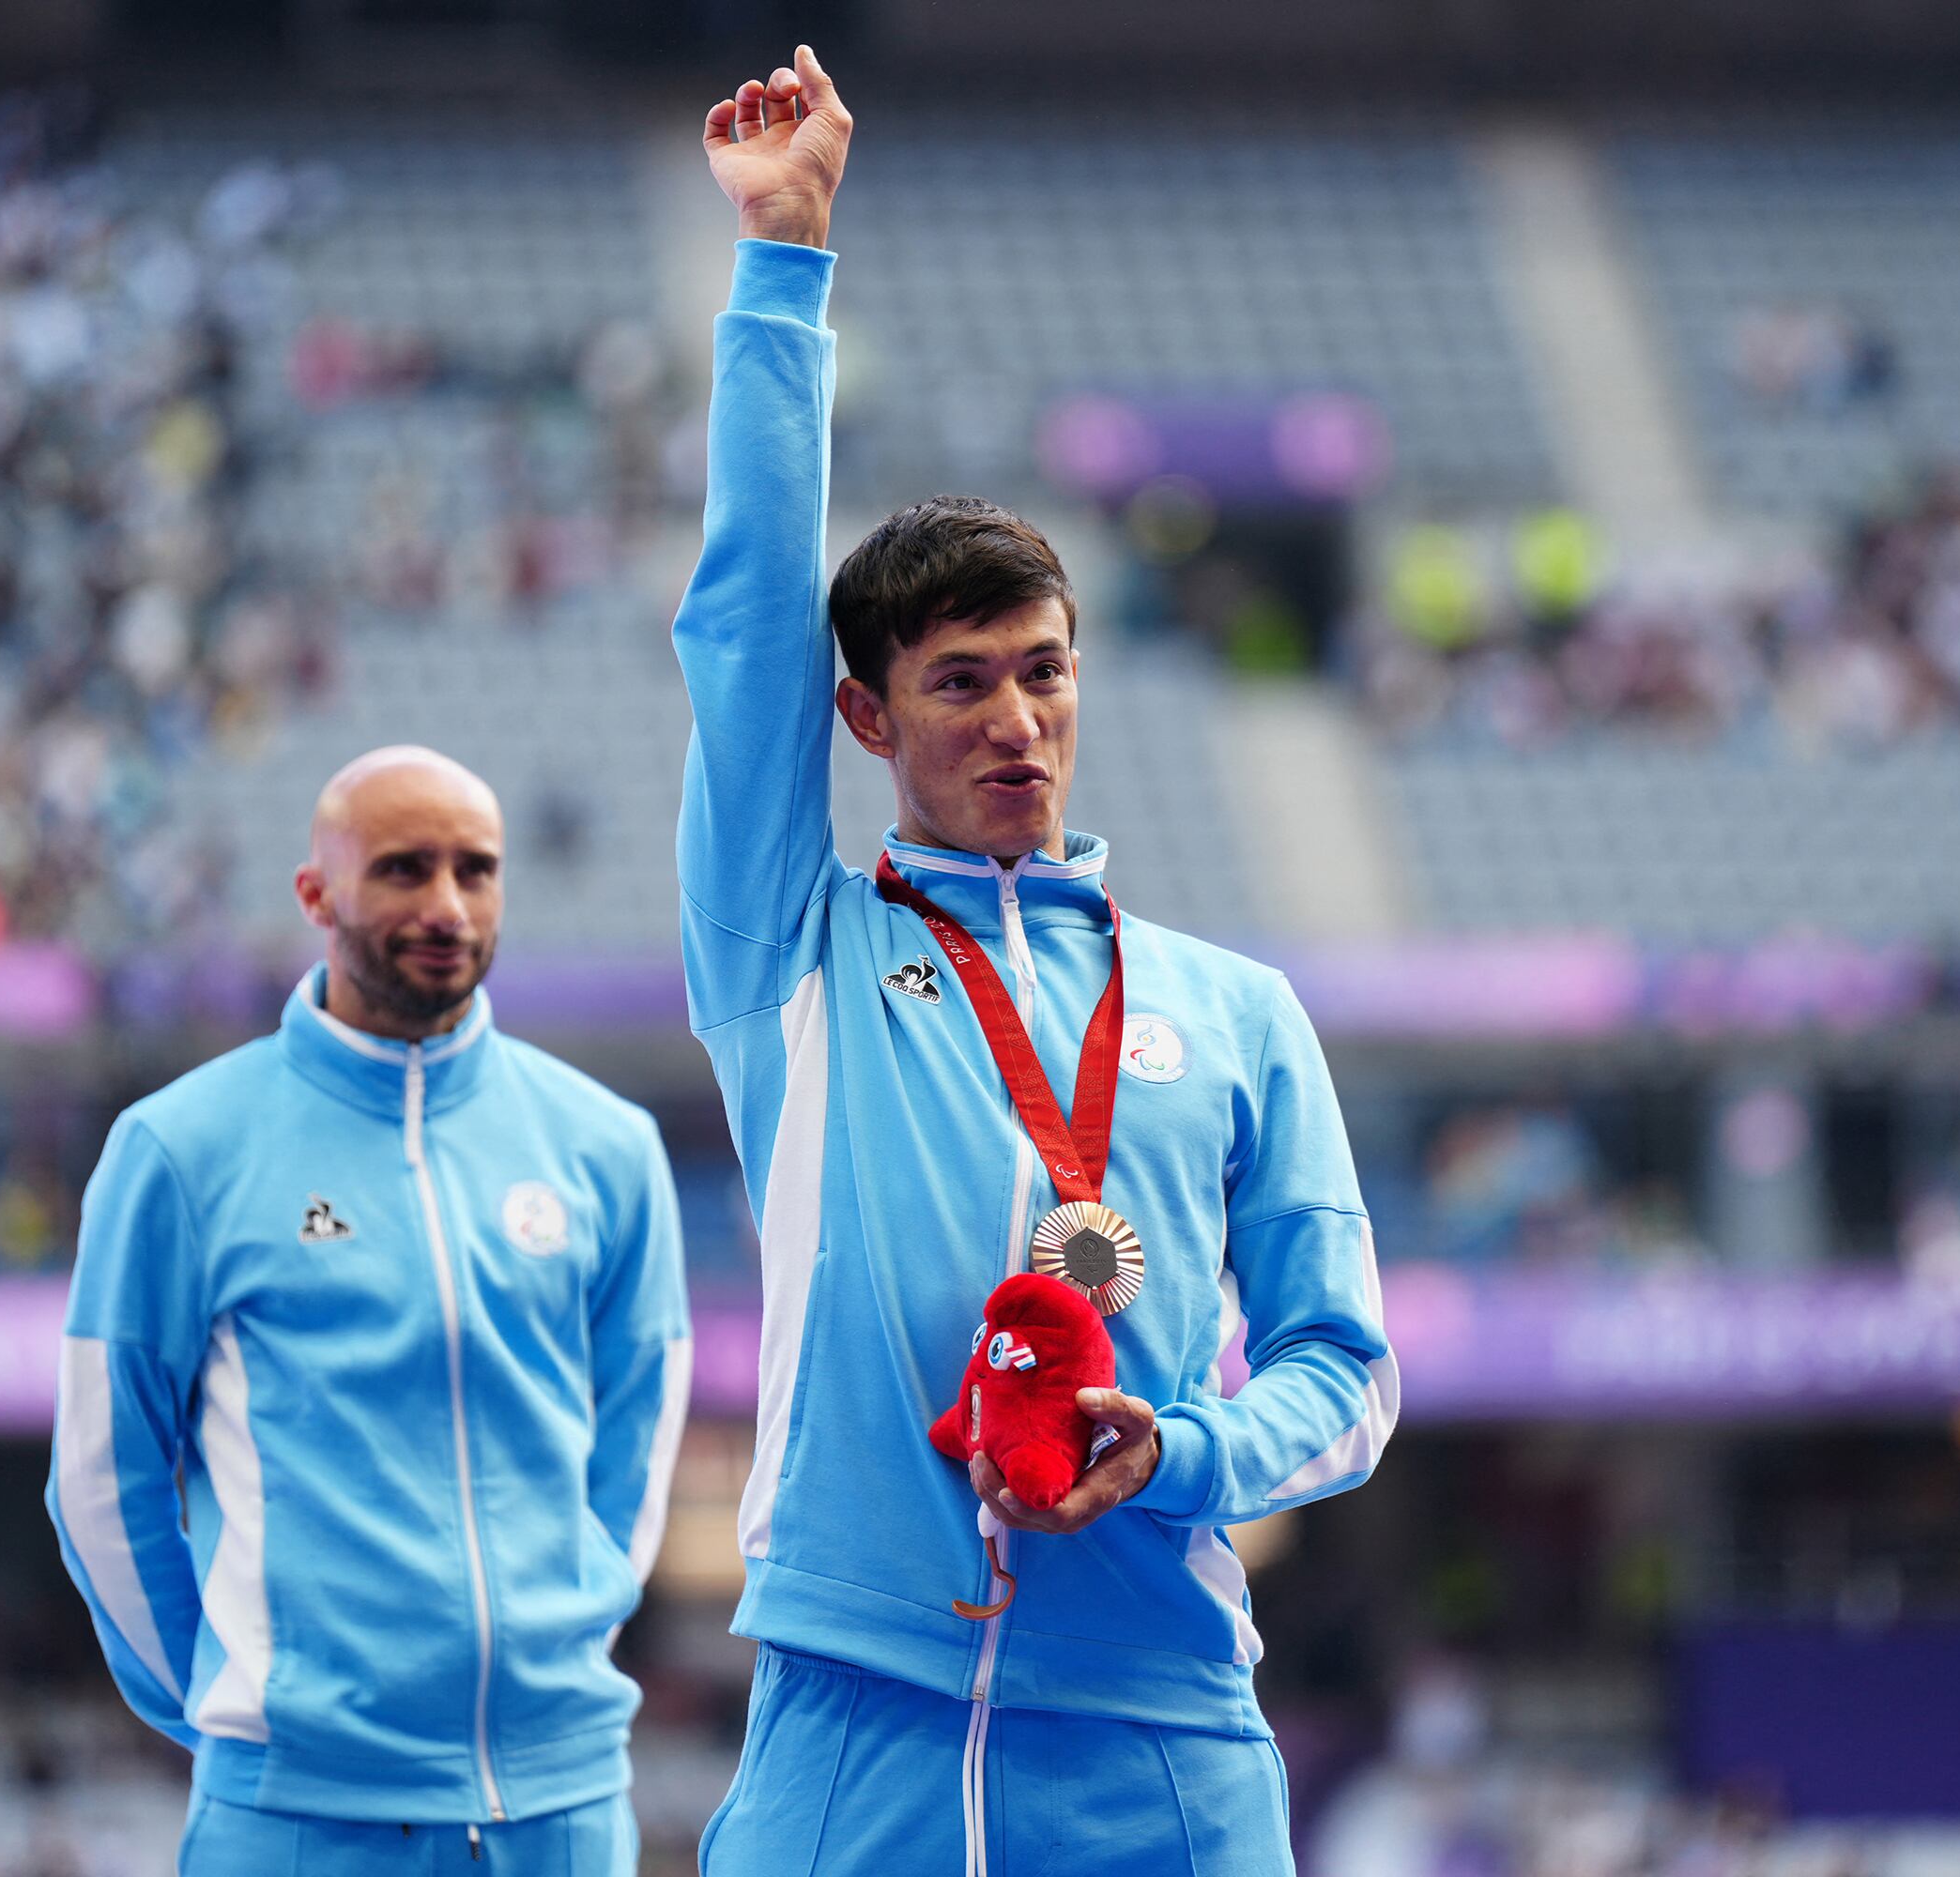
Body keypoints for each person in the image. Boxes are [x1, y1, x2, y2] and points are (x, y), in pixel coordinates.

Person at [674, 50, 1396, 1877]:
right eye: (960, 682)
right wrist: (784, 262)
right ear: (867, 714)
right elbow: (745, 623)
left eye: (1045, 670)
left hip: (1162, 1739)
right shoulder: (796, 955)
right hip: (856, 1731)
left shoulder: (1237, 1014)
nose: (1016, 719)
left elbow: (1346, 1369)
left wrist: (1185, 1450)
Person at [45, 745, 690, 1875]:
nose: (447, 905)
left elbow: (638, 1435)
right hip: (298, 1814)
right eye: (403, 868)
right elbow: (104, 1477)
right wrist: (243, 1705)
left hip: (566, 1805)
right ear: (316, 892)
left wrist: (565, 1637)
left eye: (475, 869)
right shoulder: (179, 1150)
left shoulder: (608, 1145)